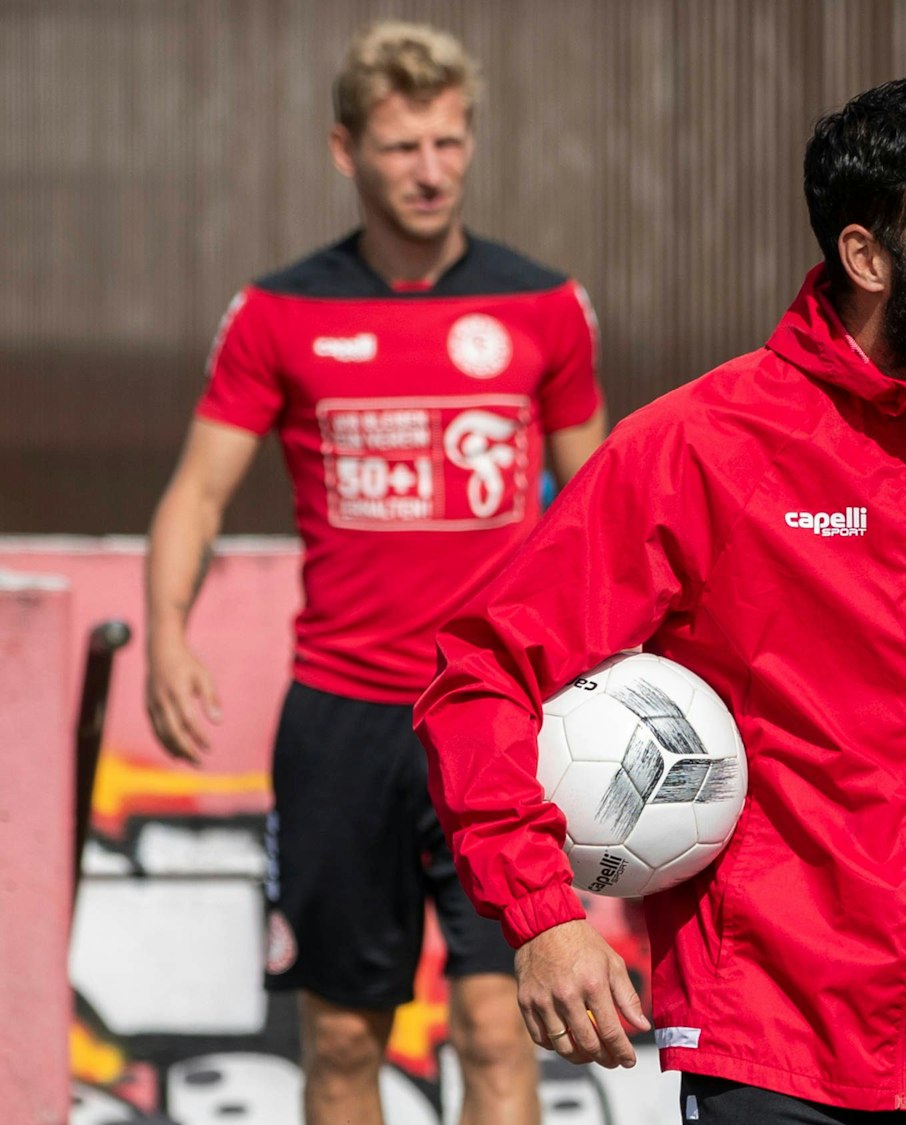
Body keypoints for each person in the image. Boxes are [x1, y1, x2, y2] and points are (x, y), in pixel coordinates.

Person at [414, 78, 906, 1125]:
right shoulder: (704, 444)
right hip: (769, 1046)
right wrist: (542, 914)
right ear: (865, 257)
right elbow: (480, 672)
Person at [144, 20, 606, 1124]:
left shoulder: (544, 307)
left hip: (499, 721)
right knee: (345, 1041)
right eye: (402, 147)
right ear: (345, 151)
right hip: (341, 724)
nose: (431, 170)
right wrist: (166, 636)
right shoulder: (278, 312)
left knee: (502, 1029)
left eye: (449, 142)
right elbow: (197, 495)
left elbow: (606, 511)